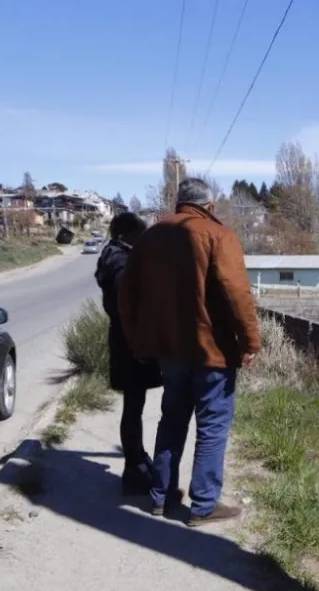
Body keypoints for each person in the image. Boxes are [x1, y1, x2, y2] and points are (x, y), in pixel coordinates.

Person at [118, 178, 261, 527]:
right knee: (212, 424)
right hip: (212, 350)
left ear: (180, 202)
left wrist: (139, 341)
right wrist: (250, 341)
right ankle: (204, 505)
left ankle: (160, 497)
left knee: (172, 419)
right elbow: (236, 292)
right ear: (210, 206)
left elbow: (127, 295)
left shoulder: (150, 237)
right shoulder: (217, 234)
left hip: (169, 351)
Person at [94, 212, 163, 495]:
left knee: (134, 405)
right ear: (125, 236)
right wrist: (140, 342)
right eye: (140, 234)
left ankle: (137, 457)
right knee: (133, 406)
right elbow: (127, 304)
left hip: (125, 338)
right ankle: (133, 468)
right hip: (129, 341)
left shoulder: (114, 255)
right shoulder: (121, 261)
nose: (143, 239)